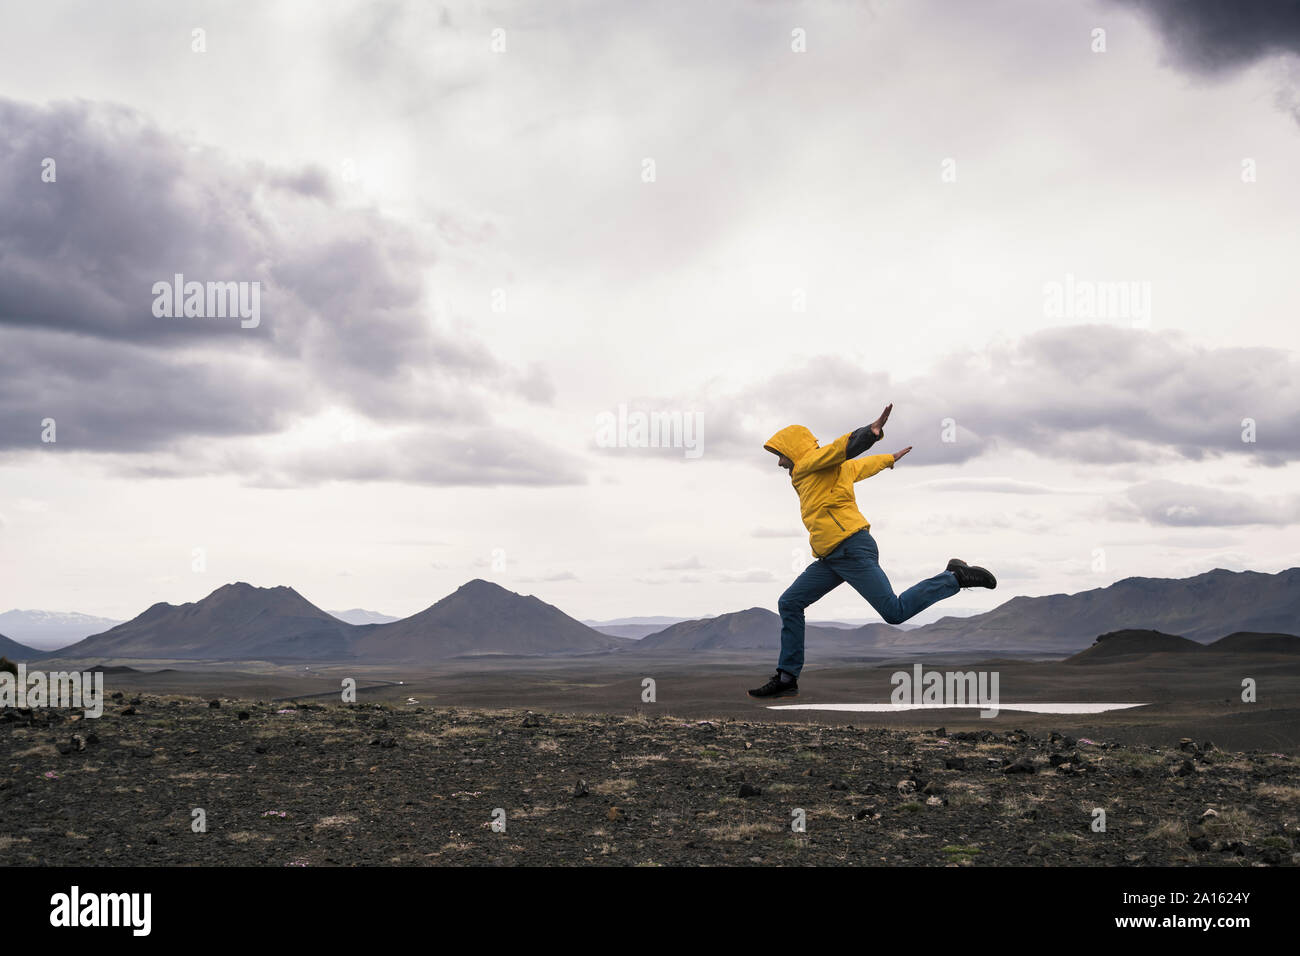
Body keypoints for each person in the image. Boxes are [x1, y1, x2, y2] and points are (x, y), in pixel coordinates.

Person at [748, 403, 996, 699]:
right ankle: (787, 677)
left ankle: (954, 577)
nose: (779, 463)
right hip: (831, 558)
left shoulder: (812, 462)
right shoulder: (824, 471)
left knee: (894, 612)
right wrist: (889, 458)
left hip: (852, 549)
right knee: (790, 602)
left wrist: (870, 433)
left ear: (794, 450)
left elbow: (842, 449)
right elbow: (859, 466)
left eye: (781, 455)